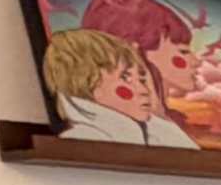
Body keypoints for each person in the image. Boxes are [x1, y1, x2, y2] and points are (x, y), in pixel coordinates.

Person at [38, 26, 196, 147]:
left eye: (142, 79)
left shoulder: (149, 135)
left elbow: (191, 158)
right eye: (125, 77)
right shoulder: (82, 140)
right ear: (85, 82)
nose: (144, 90)